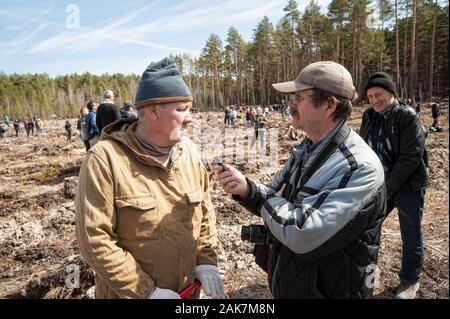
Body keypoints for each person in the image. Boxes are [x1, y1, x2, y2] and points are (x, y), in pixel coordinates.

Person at [216, 61, 386, 299]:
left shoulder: (358, 168)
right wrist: (246, 189)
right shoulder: (306, 149)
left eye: (298, 97)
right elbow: (275, 199)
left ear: (329, 105)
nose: (290, 104)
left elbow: (304, 232)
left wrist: (271, 202)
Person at [75, 57, 224, 299]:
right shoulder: (105, 160)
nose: (190, 118)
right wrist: (147, 292)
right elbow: (95, 241)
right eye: (181, 109)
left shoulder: (190, 152)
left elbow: (205, 213)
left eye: (190, 109)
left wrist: (206, 260)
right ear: (153, 110)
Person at [360, 72, 428, 299]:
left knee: (410, 234)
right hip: (380, 186)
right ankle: (368, 277)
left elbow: (411, 157)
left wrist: (387, 187)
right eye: (370, 96)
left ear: (391, 93)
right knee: (367, 231)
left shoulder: (407, 116)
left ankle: (410, 281)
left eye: (378, 94)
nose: (374, 100)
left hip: (407, 185)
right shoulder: (369, 116)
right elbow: (363, 148)